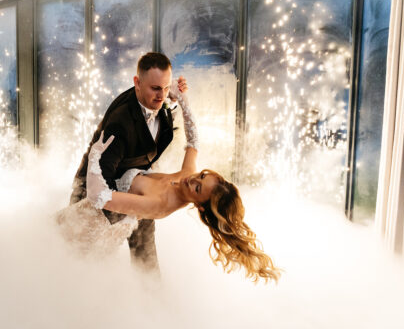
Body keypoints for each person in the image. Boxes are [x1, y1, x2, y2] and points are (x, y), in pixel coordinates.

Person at [84, 82, 280, 283]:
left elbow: (99, 197)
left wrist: (95, 155)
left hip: (106, 215)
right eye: (202, 176)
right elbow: (194, 141)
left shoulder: (160, 203)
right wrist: (181, 98)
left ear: (200, 207)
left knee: (75, 258)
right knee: (149, 278)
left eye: (197, 188)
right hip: (124, 205)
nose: (191, 179)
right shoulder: (186, 177)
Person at [70, 52, 177, 271]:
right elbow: (101, 182)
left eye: (166, 88)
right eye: (156, 88)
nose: (162, 95)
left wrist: (174, 98)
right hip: (95, 188)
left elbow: (159, 131)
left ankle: (150, 290)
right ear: (137, 83)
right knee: (80, 260)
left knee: (146, 254)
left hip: (135, 183)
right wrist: (128, 215)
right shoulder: (120, 123)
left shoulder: (160, 102)